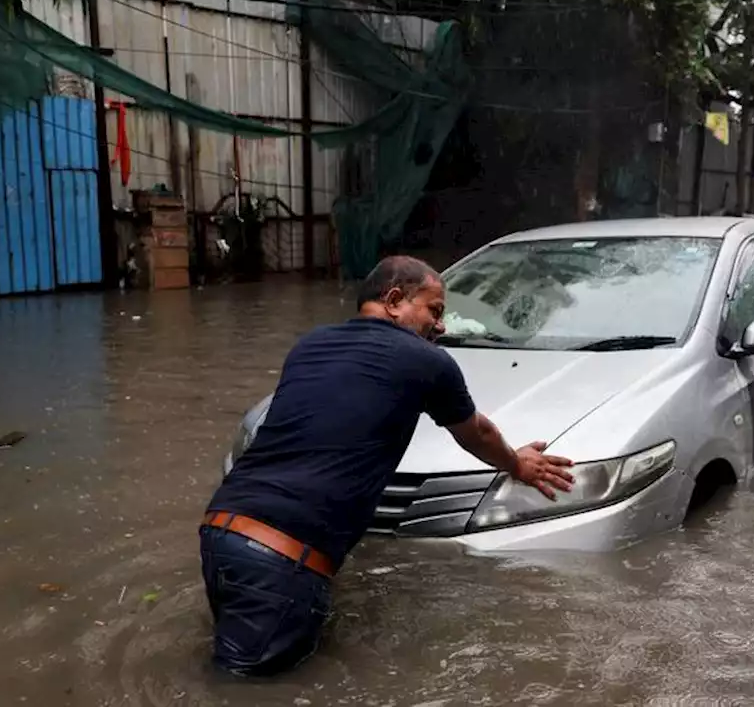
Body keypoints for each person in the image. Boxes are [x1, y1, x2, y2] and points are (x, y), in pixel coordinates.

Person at [199, 255, 575, 677]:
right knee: (246, 690)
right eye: (435, 310)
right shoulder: (426, 361)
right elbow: (477, 433)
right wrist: (518, 464)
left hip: (222, 530)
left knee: (238, 667)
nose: (442, 325)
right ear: (394, 300)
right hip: (280, 558)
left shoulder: (309, 345)